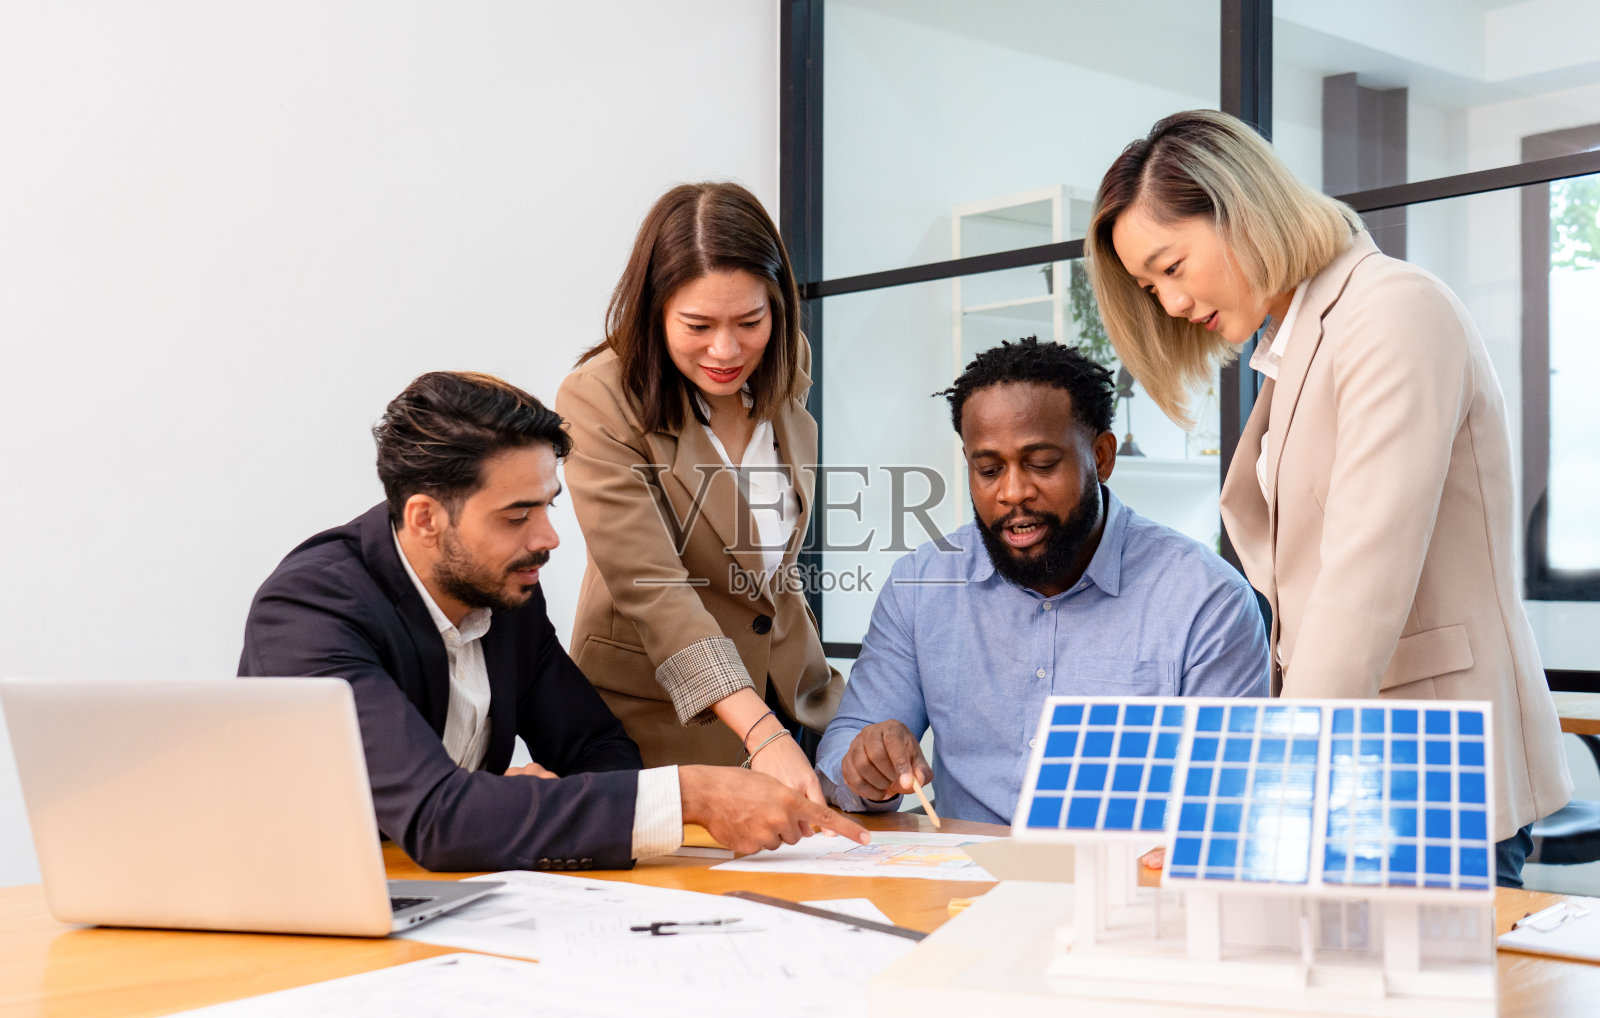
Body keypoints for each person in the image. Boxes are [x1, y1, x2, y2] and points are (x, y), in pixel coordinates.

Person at [1088, 109, 1571, 886]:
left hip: (1429, 761)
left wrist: (1269, 801)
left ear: (1239, 206)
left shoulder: (1392, 310)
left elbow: (1362, 578)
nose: (1170, 305)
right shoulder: (1295, 346)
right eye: (1151, 288)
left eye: (1172, 266)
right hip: (1359, 769)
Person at [239, 371, 866, 871]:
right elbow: (438, 819)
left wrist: (515, 806)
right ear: (426, 518)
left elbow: (598, 748)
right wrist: (690, 794)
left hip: (439, 903)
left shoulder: (505, 592)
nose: (549, 537)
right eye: (517, 516)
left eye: (548, 506)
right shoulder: (311, 610)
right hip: (293, 909)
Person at [814, 338, 1269, 824]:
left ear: (1102, 456)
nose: (1013, 493)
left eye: (1042, 464)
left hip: (1120, 887)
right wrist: (869, 766)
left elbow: (1228, 801)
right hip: (960, 890)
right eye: (988, 470)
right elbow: (844, 754)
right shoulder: (922, 584)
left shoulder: (1205, 600)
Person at [556, 182, 838, 804]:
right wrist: (763, 734)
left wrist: (799, 720)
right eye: (698, 325)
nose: (727, 350)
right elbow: (652, 590)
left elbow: (766, 565)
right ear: (654, 310)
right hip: (654, 721)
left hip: (785, 698)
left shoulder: (787, 366)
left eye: (750, 321)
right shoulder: (598, 398)